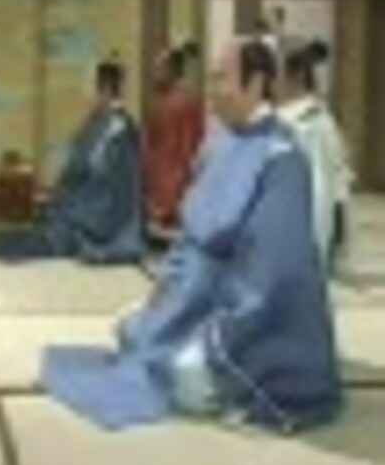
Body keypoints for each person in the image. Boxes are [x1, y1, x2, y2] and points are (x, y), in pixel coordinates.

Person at [42, 37, 341, 433]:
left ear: (256, 83)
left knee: (183, 373)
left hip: (249, 318)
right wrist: (165, 295)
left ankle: (216, 360)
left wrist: (220, 336)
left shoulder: (282, 157)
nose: (211, 91)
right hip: (197, 294)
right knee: (131, 330)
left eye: (221, 79)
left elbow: (274, 272)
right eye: (210, 78)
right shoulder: (221, 143)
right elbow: (192, 234)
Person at [0, 59, 144, 264]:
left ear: (106, 90)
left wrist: (62, 195)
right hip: (89, 199)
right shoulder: (102, 120)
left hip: (102, 213)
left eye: (89, 89)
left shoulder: (117, 128)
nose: (86, 95)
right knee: (6, 239)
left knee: (36, 239)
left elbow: (101, 179)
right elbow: (80, 166)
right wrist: (59, 192)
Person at [278, 38, 353, 271]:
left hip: (304, 231)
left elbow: (321, 186)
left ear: (296, 77)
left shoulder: (303, 124)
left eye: (276, 76)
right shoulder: (316, 119)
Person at [143, 44, 205, 233]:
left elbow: (191, 153)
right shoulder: (160, 103)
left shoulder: (186, 103)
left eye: (160, 69)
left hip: (173, 198)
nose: (155, 75)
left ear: (173, 71)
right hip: (159, 194)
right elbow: (150, 148)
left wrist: (177, 199)